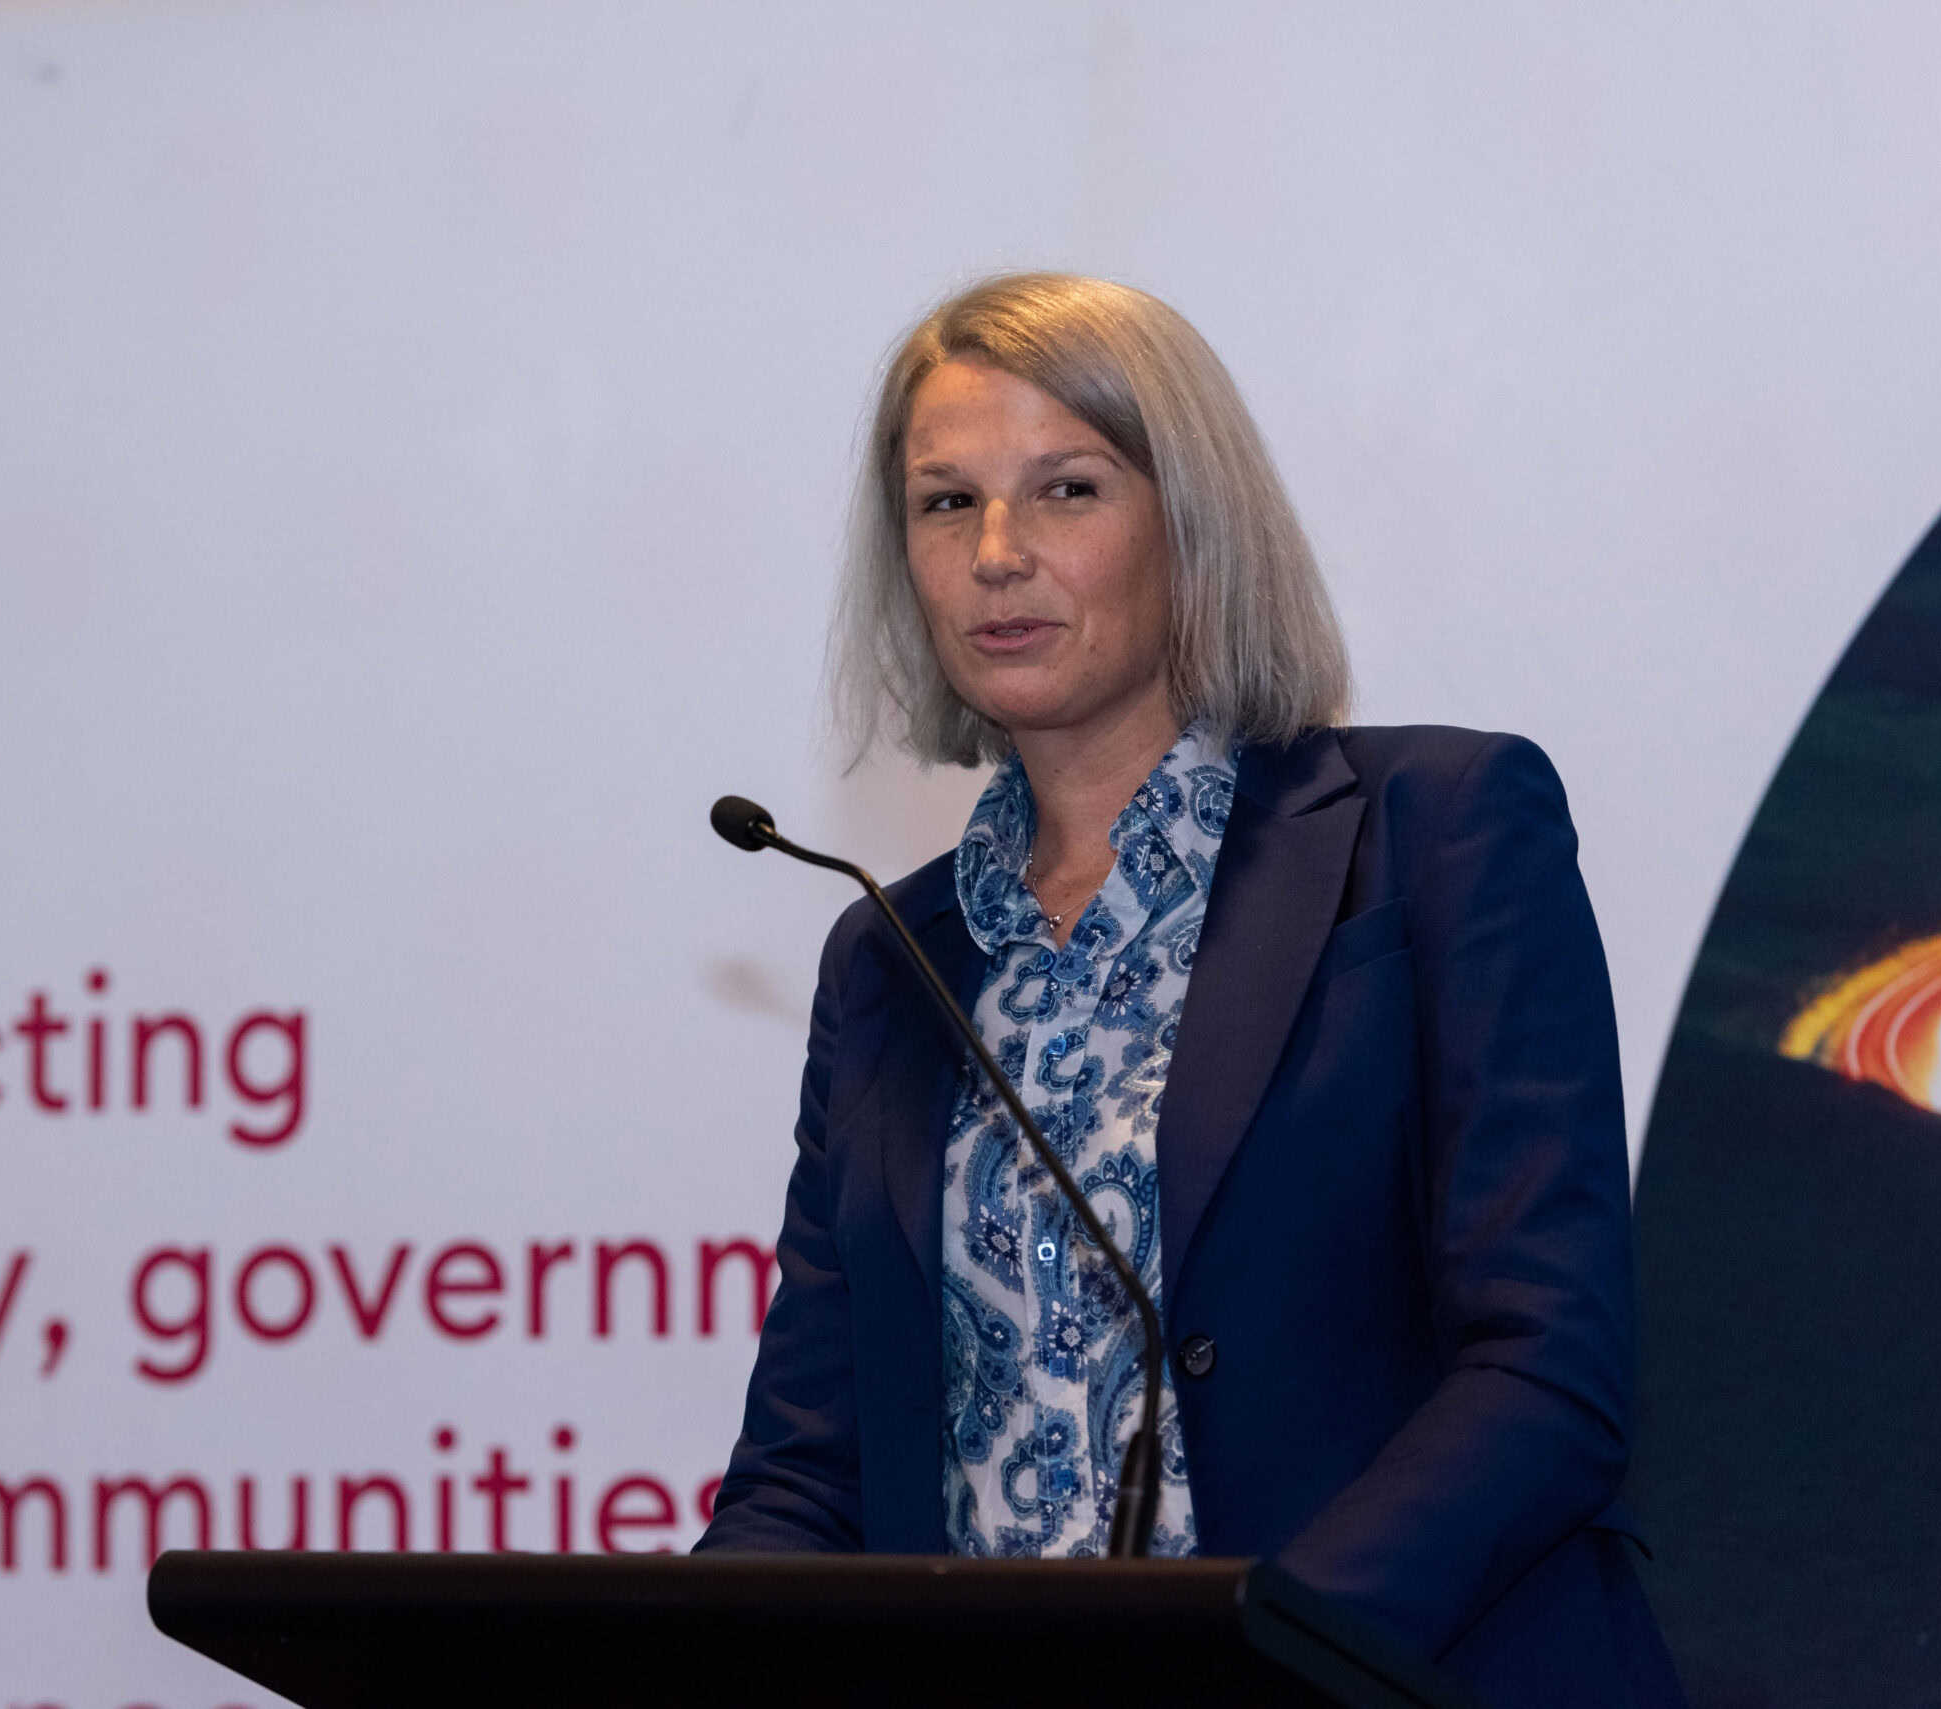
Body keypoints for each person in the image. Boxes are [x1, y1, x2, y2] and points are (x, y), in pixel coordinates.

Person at [693, 273, 1683, 1704]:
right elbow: (810, 1472)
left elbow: (1544, 1370)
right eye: (947, 503)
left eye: (1068, 489)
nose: (997, 554)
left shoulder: (1437, 833)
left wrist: (1251, 1658)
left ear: (1193, 525)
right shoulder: (891, 958)